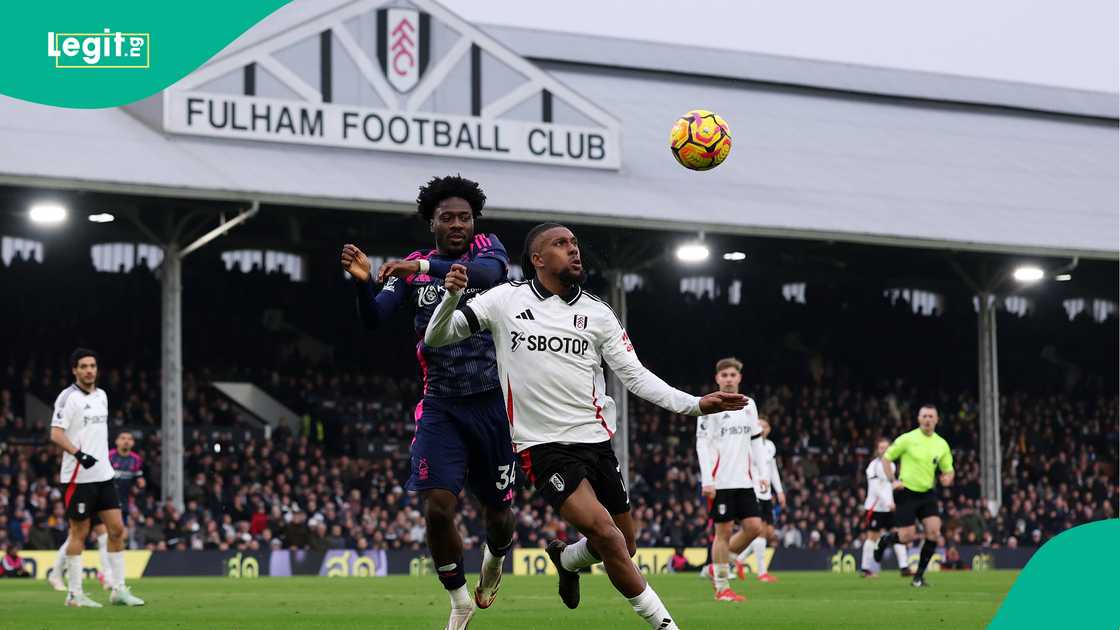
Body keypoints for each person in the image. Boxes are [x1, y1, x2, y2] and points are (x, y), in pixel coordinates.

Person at [425, 222, 747, 630]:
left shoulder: (598, 313)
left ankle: (566, 558)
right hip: (542, 447)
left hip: (596, 443)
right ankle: (667, 626)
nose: (574, 250)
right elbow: (436, 338)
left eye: (575, 243)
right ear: (538, 259)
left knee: (624, 545)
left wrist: (696, 404)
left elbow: (635, 376)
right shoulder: (505, 300)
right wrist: (452, 296)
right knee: (609, 538)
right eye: (561, 244)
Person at [340, 175, 515, 630]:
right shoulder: (415, 266)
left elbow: (488, 276)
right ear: (431, 223)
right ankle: (460, 601)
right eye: (447, 218)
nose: (458, 224)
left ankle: (494, 562)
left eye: (465, 217)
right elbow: (374, 318)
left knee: (498, 516)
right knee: (437, 507)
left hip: (494, 405)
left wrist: (416, 271)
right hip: (441, 406)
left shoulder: (488, 250)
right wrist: (362, 284)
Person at [49, 348, 144, 607]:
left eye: (93, 365)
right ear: (75, 370)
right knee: (79, 532)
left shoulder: (102, 395)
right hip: (78, 477)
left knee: (117, 530)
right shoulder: (67, 398)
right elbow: (56, 434)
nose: (90, 370)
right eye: (84, 366)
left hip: (104, 475)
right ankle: (74, 595)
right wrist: (79, 455)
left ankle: (118, 590)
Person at [695, 357, 767, 602]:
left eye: (732, 375)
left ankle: (720, 563)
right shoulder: (709, 406)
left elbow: (756, 441)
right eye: (724, 375)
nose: (728, 378)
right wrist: (707, 480)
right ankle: (722, 587)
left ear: (739, 378)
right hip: (721, 481)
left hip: (744, 481)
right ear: (717, 379)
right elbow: (702, 444)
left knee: (755, 527)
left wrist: (763, 474)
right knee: (722, 532)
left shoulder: (749, 405)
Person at [48, 430, 144, 593]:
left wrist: (139, 485)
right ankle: (102, 577)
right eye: (123, 438)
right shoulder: (108, 456)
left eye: (129, 439)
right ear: (117, 441)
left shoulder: (136, 460)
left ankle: (102, 576)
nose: (126, 441)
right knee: (84, 535)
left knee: (105, 537)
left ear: (133, 443)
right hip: (97, 498)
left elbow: (137, 480)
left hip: (117, 504)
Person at [874, 404, 954, 587]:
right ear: (918, 419)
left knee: (934, 532)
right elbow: (887, 458)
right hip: (906, 492)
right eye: (924, 416)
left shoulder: (941, 444)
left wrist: (947, 478)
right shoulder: (907, 439)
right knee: (907, 536)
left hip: (927, 493)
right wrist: (892, 480)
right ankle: (886, 540)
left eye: (931, 416)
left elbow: (948, 470)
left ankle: (918, 577)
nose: (927, 419)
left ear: (936, 420)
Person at [737, 415, 784, 583]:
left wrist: (779, 491)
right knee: (761, 532)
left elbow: (773, 470)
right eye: (760, 426)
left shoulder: (770, 446)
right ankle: (762, 572)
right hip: (754, 491)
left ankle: (738, 559)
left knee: (769, 532)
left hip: (767, 494)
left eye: (765, 426)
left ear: (769, 429)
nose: (762, 429)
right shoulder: (749, 444)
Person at [860, 437, 899, 577]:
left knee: (897, 534)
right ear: (878, 450)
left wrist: (893, 502)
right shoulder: (873, 466)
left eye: (886, 448)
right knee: (872, 537)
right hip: (875, 507)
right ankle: (866, 568)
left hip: (889, 508)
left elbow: (889, 487)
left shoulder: (892, 465)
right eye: (881, 448)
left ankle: (904, 567)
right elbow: (876, 488)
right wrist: (888, 502)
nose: (884, 450)